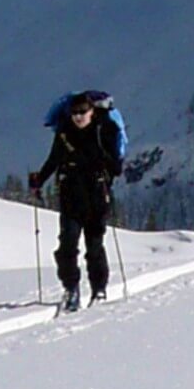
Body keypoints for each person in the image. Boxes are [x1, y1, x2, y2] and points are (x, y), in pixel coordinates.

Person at [27, 90, 125, 311]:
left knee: (94, 246)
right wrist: (39, 180)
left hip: (96, 197)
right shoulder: (64, 133)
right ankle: (72, 288)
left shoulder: (104, 130)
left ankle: (98, 289)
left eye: (83, 112)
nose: (78, 116)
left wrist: (103, 161)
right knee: (67, 246)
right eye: (74, 113)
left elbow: (117, 168)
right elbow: (53, 160)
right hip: (71, 197)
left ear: (92, 111)